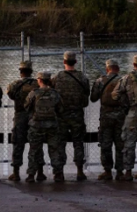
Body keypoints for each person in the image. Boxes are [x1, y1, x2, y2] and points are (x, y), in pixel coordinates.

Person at [52, 51, 90, 181]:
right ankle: (80, 171)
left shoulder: (57, 77)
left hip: (61, 115)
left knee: (60, 143)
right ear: (75, 62)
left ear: (64, 62)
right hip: (77, 114)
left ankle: (59, 173)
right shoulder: (82, 77)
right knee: (78, 142)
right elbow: (86, 94)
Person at [6, 61, 46, 182]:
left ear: (20, 71)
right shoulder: (37, 85)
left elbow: (11, 95)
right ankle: (39, 172)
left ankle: (16, 173)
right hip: (34, 116)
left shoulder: (14, 85)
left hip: (20, 116)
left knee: (18, 144)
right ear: (31, 71)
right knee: (36, 145)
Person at [25, 71, 65, 183]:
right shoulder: (55, 93)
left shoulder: (34, 93)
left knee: (34, 150)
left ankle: (31, 175)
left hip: (36, 125)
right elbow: (61, 109)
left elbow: (27, 107)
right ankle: (58, 174)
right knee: (54, 149)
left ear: (39, 80)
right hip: (52, 125)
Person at [90, 59, 126, 181]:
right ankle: (120, 171)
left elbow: (93, 98)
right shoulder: (124, 80)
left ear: (107, 69)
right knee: (120, 144)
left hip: (106, 116)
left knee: (106, 144)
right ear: (118, 68)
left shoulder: (100, 81)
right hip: (121, 117)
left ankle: (107, 171)